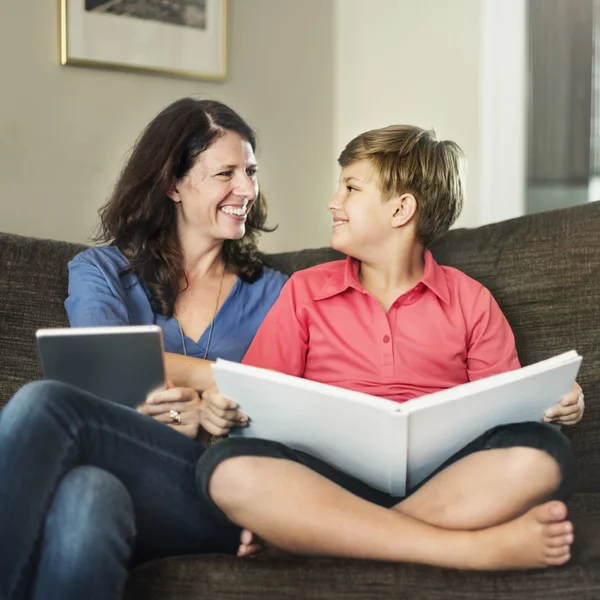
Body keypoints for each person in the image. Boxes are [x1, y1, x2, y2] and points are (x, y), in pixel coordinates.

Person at [197, 124, 585, 571]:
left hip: (450, 479)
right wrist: (223, 410)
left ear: (402, 209)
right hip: (328, 480)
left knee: (542, 452)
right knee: (226, 467)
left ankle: (318, 536)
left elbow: (507, 409)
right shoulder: (305, 291)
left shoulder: (471, 299)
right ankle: (465, 549)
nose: (333, 201)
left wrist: (559, 404)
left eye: (351, 187)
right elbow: (256, 400)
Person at [0, 98, 288, 600]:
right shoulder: (101, 272)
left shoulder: (277, 294)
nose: (247, 189)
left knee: (45, 403)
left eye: (251, 171)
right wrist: (197, 401)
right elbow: (100, 382)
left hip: (216, 491)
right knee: (88, 497)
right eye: (226, 173)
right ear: (173, 184)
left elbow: (286, 402)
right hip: (126, 477)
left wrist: (198, 399)